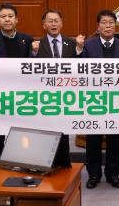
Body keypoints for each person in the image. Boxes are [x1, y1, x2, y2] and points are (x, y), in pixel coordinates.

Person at [81, 10, 119, 189]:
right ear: (98, 26)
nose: (108, 26)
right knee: (93, 141)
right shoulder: (88, 45)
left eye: (111, 22)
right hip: (94, 100)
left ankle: (113, 174)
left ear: (115, 25)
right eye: (104, 22)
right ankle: (94, 175)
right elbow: (80, 69)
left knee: (115, 140)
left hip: (117, 100)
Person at [29, 9, 85, 168]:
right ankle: (44, 166)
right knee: (45, 132)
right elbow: (29, 69)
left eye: (56, 20)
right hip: (44, 96)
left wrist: (79, 49)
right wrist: (34, 53)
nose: (53, 24)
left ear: (61, 23)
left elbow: (80, 67)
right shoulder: (36, 45)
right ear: (44, 25)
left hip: (66, 95)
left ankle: (64, 166)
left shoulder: (72, 43)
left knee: (63, 133)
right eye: (50, 21)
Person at [0, 3, 33, 154]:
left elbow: (32, 65)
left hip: (22, 94)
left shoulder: (27, 39)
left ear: (17, 19)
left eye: (10, 16)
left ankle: (21, 159)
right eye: (3, 17)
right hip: (0, 94)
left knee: (21, 131)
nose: (7, 19)